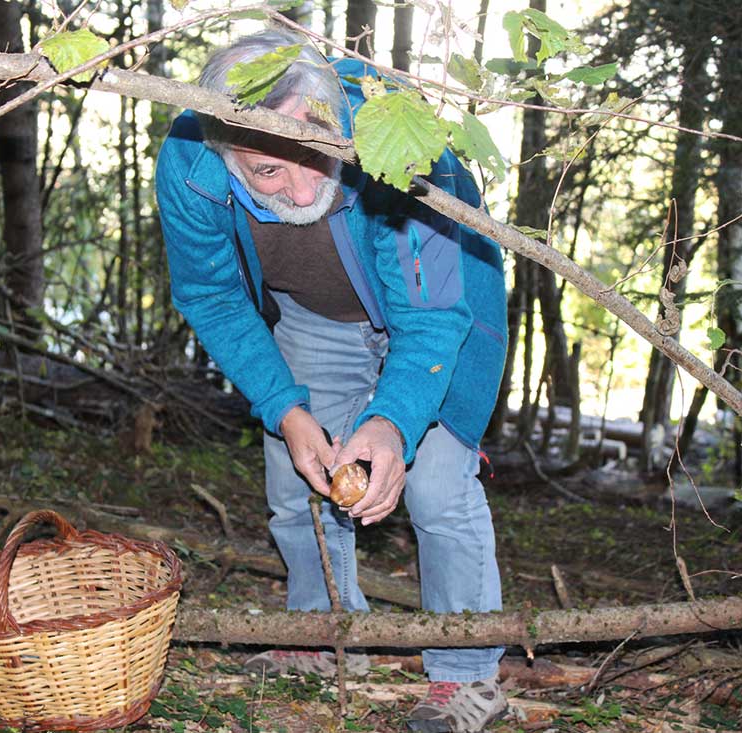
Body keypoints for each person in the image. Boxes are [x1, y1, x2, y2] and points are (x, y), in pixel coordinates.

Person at [155, 28, 509, 733]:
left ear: (333, 124)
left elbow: (433, 317)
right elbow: (213, 296)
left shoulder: (396, 138)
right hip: (316, 316)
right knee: (299, 477)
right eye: (266, 172)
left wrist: (393, 423)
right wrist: (286, 408)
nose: (300, 187)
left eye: (313, 158)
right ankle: (323, 630)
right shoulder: (190, 164)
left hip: (437, 311)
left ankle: (467, 677)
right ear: (226, 156)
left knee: (437, 480)